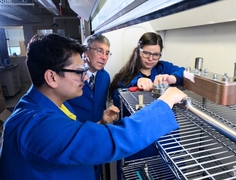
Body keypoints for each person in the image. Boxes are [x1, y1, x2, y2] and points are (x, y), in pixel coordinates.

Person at [0, 33, 187, 180]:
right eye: (79, 72)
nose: (85, 77)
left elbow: (73, 138)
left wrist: (100, 123)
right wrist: (165, 102)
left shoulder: (41, 105)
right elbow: (115, 139)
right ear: (51, 77)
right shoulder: (38, 126)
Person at [108, 32, 186, 178]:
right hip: (140, 143)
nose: (151, 59)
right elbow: (120, 103)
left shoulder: (164, 68)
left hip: (167, 138)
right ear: (138, 51)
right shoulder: (125, 77)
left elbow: (184, 72)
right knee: (138, 174)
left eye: (156, 55)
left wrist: (172, 78)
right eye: (146, 54)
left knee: (170, 173)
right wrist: (136, 82)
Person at [67, 34, 111, 124]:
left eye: (107, 53)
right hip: (76, 130)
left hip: (99, 128)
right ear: (86, 52)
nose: (104, 57)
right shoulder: (71, 76)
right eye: (99, 51)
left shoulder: (105, 77)